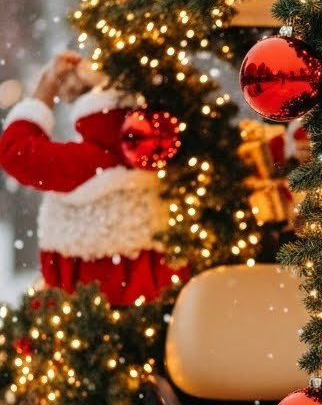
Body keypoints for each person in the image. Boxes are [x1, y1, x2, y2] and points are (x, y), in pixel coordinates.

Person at [0, 51, 184, 305]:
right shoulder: (170, 156)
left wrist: (45, 90)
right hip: (161, 317)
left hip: (85, 318)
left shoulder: (82, 164)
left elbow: (15, 152)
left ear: (90, 110)